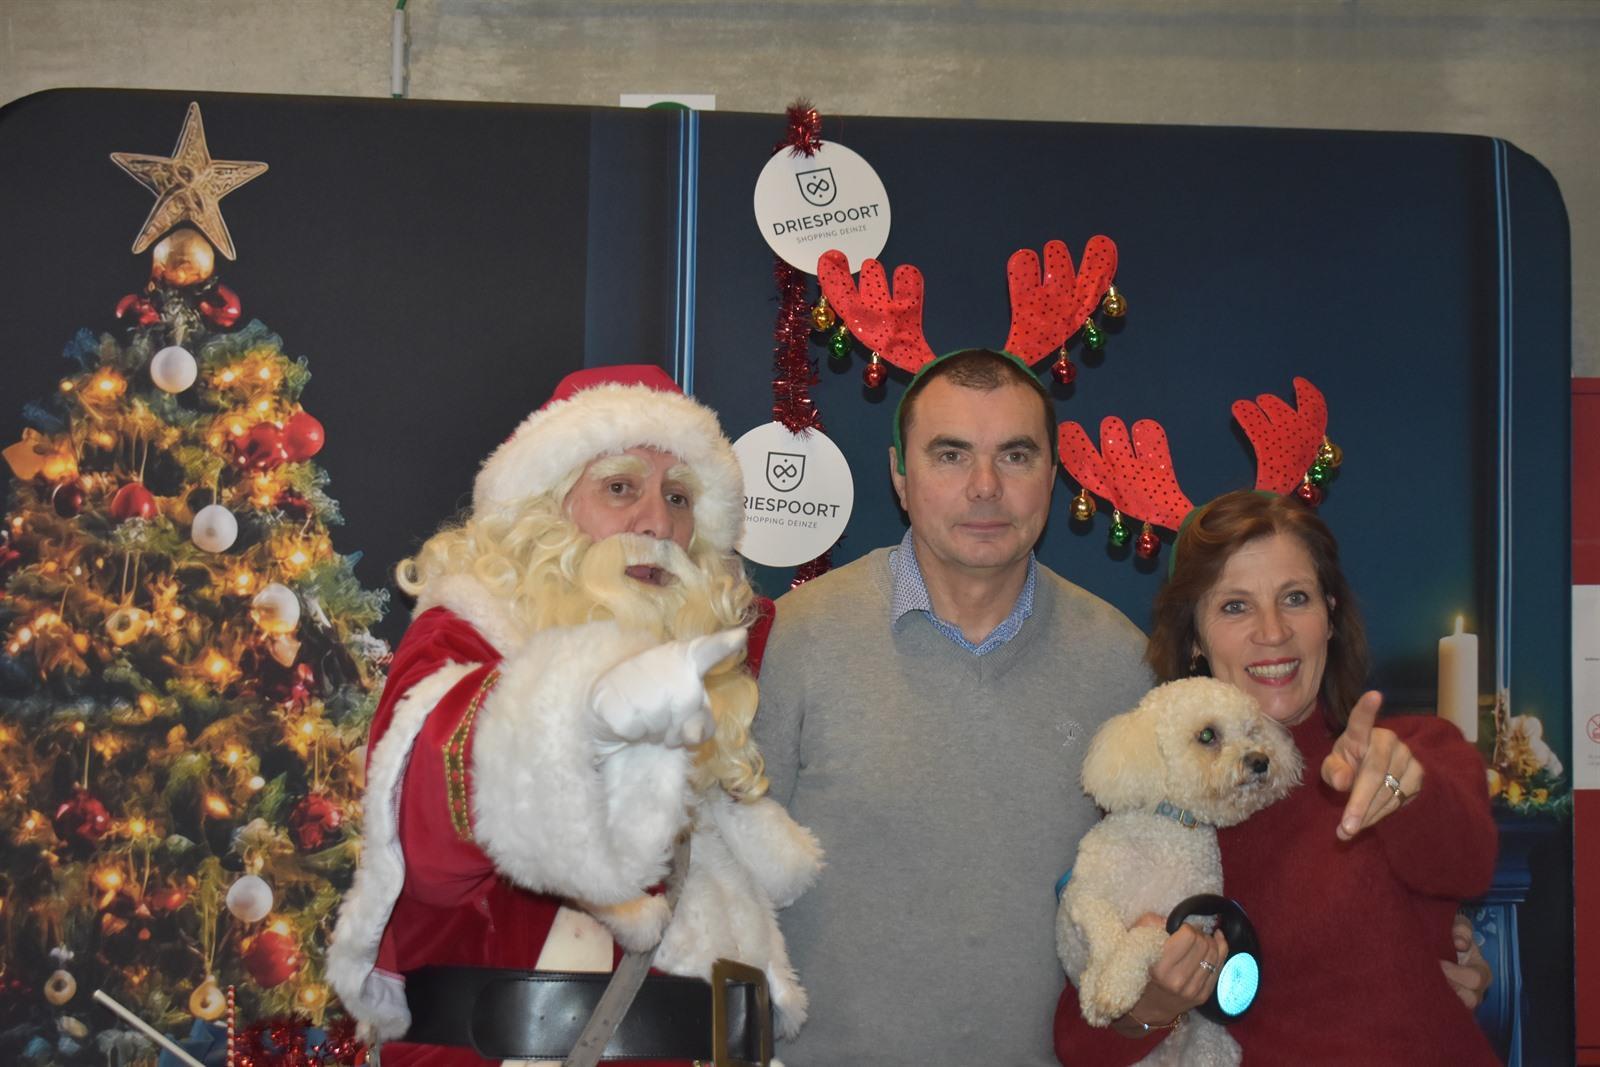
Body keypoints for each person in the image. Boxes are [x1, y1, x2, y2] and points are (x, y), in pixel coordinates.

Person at [328, 365, 822, 1066]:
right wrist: (582, 714)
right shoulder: (464, 634)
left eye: (679, 497)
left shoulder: (713, 664)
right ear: (545, 507)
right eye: (620, 488)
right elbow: (427, 834)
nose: (657, 523)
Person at [752, 349, 1156, 1065]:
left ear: (1051, 477)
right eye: (950, 455)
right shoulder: (798, 638)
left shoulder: (1121, 663)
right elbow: (732, 883)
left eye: (1016, 456)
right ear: (900, 477)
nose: (985, 487)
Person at [1052, 489, 1500, 1064]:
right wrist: (1154, 1006)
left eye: (1295, 598)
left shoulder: (1413, 749)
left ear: (1330, 616)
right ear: (1194, 639)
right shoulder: (1164, 813)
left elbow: (1469, 862)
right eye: (1235, 606)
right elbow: (1078, 1042)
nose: (1273, 631)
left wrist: (1405, 792)